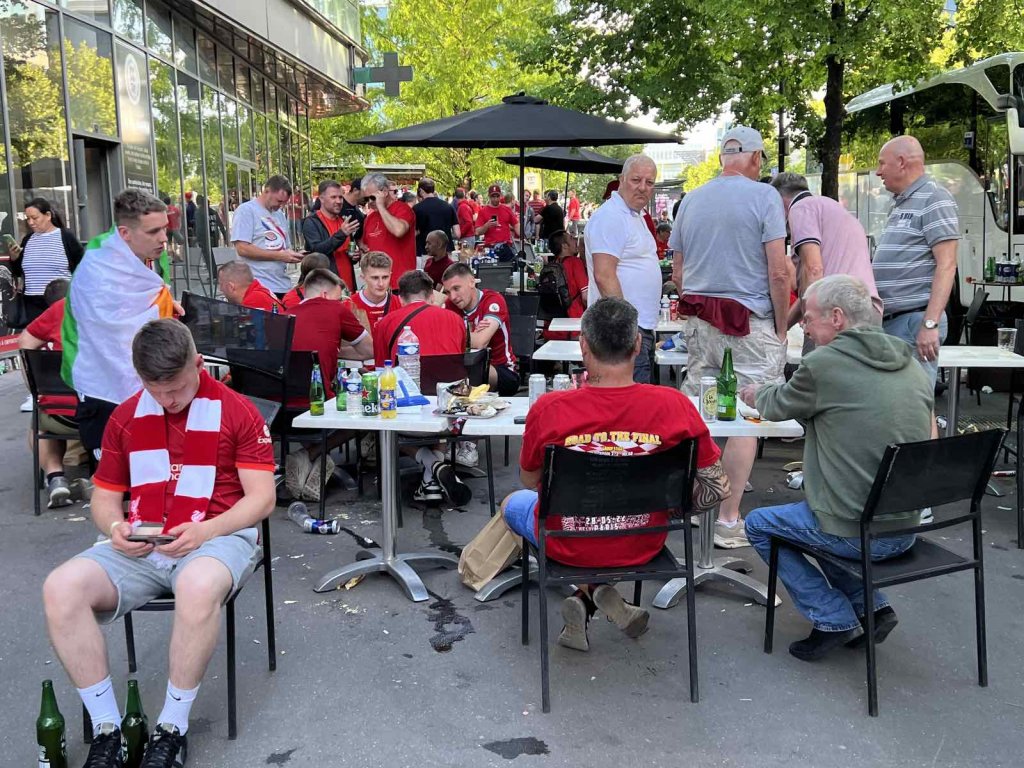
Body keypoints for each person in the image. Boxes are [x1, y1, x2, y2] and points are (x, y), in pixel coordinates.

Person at [43, 318, 276, 768]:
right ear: (139, 377)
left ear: (198, 364)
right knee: (60, 588)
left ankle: (171, 728)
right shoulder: (126, 416)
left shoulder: (238, 411)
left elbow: (262, 499)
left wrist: (206, 531)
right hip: (145, 535)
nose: (168, 400)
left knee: (197, 585)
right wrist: (115, 527)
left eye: (178, 388)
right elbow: (105, 499)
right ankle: (109, 731)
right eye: (156, 390)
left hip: (218, 533)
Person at [502, 297, 729, 651]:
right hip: (642, 540)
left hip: (568, 543)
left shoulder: (549, 408)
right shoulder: (674, 406)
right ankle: (595, 593)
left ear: (583, 345)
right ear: (638, 344)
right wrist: (672, 508)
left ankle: (592, 590)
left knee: (512, 504)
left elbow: (531, 481)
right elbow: (717, 488)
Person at [740, 275, 933, 660]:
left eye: (809, 317)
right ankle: (872, 607)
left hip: (859, 530)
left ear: (837, 317)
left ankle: (832, 617)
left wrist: (754, 393)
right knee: (825, 515)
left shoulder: (824, 364)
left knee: (762, 525)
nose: (804, 325)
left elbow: (776, 405)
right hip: (906, 523)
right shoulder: (910, 363)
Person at [668, 125, 789, 549]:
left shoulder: (692, 199)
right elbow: (778, 271)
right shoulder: (765, 196)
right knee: (747, 416)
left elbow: (678, 271)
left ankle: (688, 504)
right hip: (749, 319)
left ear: (723, 157)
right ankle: (727, 519)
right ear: (755, 158)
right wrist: (781, 325)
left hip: (701, 319)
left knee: (698, 413)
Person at [61, 189, 179, 461]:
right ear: (125, 233)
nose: (164, 238)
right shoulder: (98, 268)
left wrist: (165, 302)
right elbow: (114, 330)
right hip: (102, 387)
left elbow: (151, 293)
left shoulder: (149, 253)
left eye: (165, 228)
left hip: (147, 385)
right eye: (153, 231)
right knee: (114, 474)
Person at [872, 135, 959, 388]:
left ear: (901, 162)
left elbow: (947, 264)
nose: (878, 172)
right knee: (894, 402)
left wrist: (930, 324)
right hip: (896, 321)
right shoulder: (900, 203)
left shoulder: (935, 198)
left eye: (882, 163)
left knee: (912, 403)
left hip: (914, 321)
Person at [769, 172, 882, 334]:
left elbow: (813, 270)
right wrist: (781, 329)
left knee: (815, 350)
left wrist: (809, 319)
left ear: (779, 200)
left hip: (837, 311)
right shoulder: (833, 208)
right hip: (868, 309)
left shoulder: (801, 208)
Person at [584, 154, 662, 383]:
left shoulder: (634, 215)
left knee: (635, 398)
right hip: (621, 333)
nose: (643, 187)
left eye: (649, 182)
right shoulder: (611, 216)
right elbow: (604, 275)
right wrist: (626, 328)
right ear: (622, 179)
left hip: (636, 328)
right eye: (636, 180)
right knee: (629, 401)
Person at [20, 278, 84, 508]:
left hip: (61, 413)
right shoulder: (126, 306)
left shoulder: (64, 308)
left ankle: (55, 477)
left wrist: (34, 387)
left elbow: (25, 341)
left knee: (40, 422)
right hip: (108, 412)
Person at [442, 262, 519, 396]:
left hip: (502, 370)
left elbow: (479, 342)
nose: (452, 297)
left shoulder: (493, 300)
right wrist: (469, 334)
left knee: (471, 369)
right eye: (448, 292)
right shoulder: (450, 305)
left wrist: (453, 334)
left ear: (472, 282)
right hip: (464, 365)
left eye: (456, 288)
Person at [7, 197, 83, 324]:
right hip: (32, 303)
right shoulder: (27, 240)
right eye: (28, 219)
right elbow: (19, 272)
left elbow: (82, 268)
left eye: (34, 218)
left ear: (48, 215)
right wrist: (14, 258)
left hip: (61, 301)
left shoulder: (66, 237)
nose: (31, 222)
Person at [231, 175, 304, 296]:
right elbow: (242, 248)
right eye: (279, 201)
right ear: (267, 191)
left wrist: (294, 255)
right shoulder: (246, 210)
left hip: (282, 284)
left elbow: (284, 248)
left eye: (284, 203)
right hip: (258, 286)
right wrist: (279, 256)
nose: (280, 206)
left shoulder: (279, 214)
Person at [301, 179, 360, 291]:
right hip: (325, 288)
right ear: (321, 199)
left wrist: (355, 256)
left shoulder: (344, 221)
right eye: (333, 197)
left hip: (348, 288)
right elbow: (317, 251)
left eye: (340, 197)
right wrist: (341, 234)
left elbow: (349, 252)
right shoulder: (312, 222)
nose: (339, 201)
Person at [360, 173, 416, 289]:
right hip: (377, 285)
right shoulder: (370, 218)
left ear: (385, 192)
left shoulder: (402, 209)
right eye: (366, 199)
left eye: (372, 198)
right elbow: (366, 248)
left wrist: (380, 206)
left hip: (400, 284)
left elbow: (399, 231)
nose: (369, 202)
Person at [542, 229, 589, 341]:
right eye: (571, 238)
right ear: (564, 246)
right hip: (573, 326)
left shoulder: (553, 264)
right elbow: (585, 297)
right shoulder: (575, 262)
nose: (575, 240)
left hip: (551, 327)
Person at [346, 251, 402, 336]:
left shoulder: (400, 304)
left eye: (385, 277)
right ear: (363, 277)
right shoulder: (349, 305)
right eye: (375, 278)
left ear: (390, 275)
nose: (381, 283)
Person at [414, 177, 459, 258]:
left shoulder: (417, 209)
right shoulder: (448, 207)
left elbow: (414, 232)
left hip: (426, 252)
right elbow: (457, 233)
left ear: (420, 190)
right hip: (446, 251)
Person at [216, 260, 286, 312]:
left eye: (221, 284)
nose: (221, 289)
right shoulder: (258, 293)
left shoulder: (252, 301)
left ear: (230, 287)